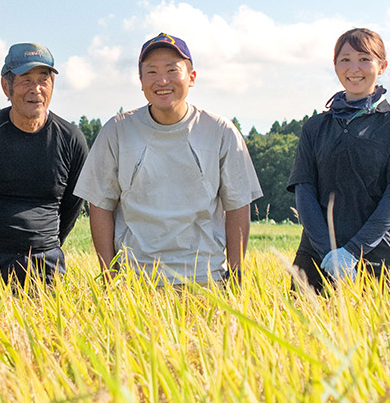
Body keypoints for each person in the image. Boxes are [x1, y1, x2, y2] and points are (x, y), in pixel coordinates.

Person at [74, 33, 263, 285]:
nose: (162, 81)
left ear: (192, 77)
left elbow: (238, 205)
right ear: (140, 81)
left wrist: (236, 276)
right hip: (135, 281)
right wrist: (109, 276)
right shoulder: (117, 131)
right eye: (151, 72)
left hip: (204, 279)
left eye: (172, 70)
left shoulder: (220, 131)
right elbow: (99, 204)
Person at [287, 28, 390, 294]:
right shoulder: (315, 127)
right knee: (301, 333)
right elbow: (304, 190)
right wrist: (329, 253)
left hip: (376, 258)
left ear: (382, 66)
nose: (354, 68)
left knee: (376, 334)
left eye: (364, 58)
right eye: (345, 59)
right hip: (316, 258)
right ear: (335, 66)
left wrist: (351, 251)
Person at [0, 43, 88, 285]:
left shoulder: (71, 139)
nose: (36, 89)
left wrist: (44, 242)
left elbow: (72, 206)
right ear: (5, 86)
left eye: (44, 80)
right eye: (26, 80)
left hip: (46, 265)